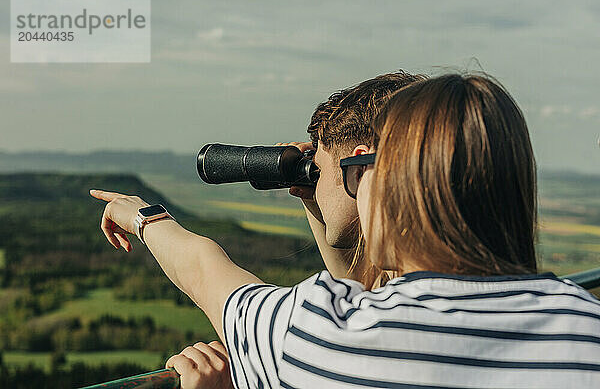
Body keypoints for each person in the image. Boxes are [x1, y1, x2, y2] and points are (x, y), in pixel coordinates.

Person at [90, 73, 600, 388]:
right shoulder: (586, 320)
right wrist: (322, 194)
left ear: (380, 174)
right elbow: (361, 285)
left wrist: (142, 216)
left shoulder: (323, 336)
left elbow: (206, 272)